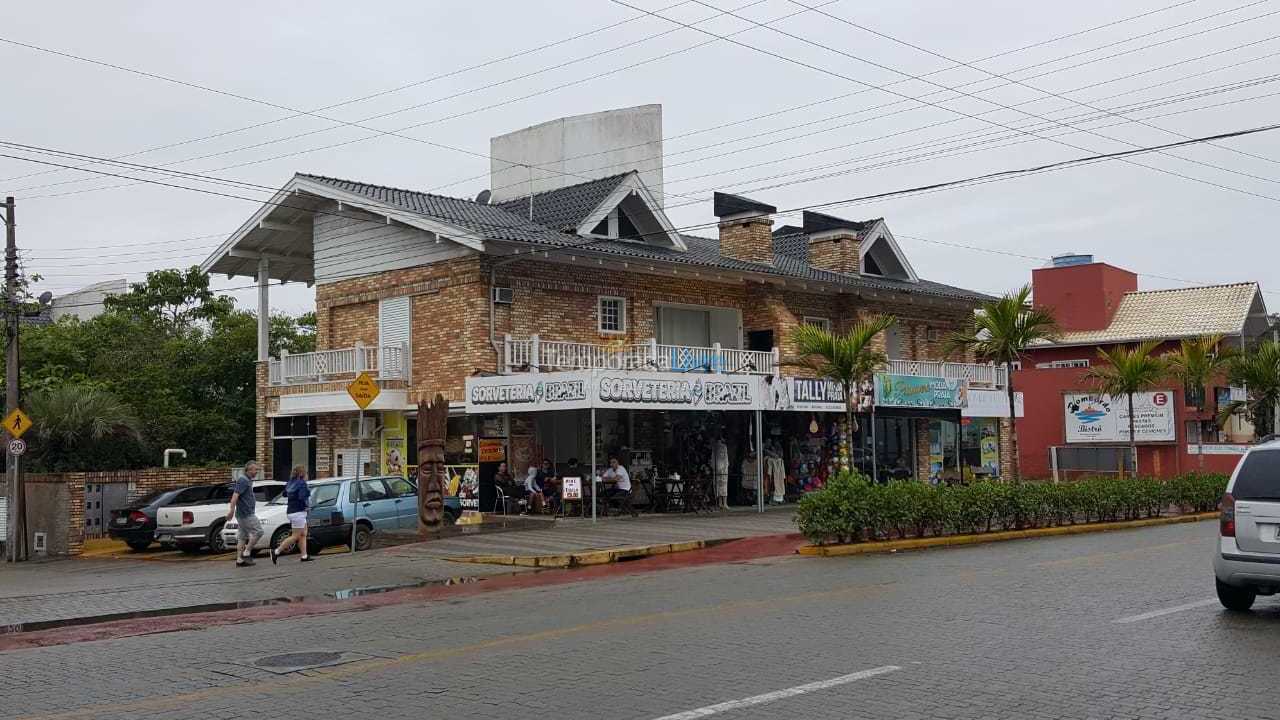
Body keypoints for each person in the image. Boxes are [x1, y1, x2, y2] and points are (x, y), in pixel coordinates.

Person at [225, 461, 264, 567]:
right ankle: (246, 552)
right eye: (255, 469)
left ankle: (239, 560)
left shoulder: (247, 480)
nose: (256, 472)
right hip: (246, 514)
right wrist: (231, 511)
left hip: (242, 514)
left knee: (242, 537)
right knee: (259, 532)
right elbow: (234, 497)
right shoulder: (244, 480)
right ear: (249, 470)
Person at [272, 465, 313, 564]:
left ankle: (304, 555)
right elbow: (302, 497)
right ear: (302, 474)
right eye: (306, 473)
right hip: (299, 511)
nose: (307, 475)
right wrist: (307, 505)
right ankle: (277, 551)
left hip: (291, 511)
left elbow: (285, 494)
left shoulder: (290, 483)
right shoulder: (302, 483)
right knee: (295, 536)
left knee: (303, 534)